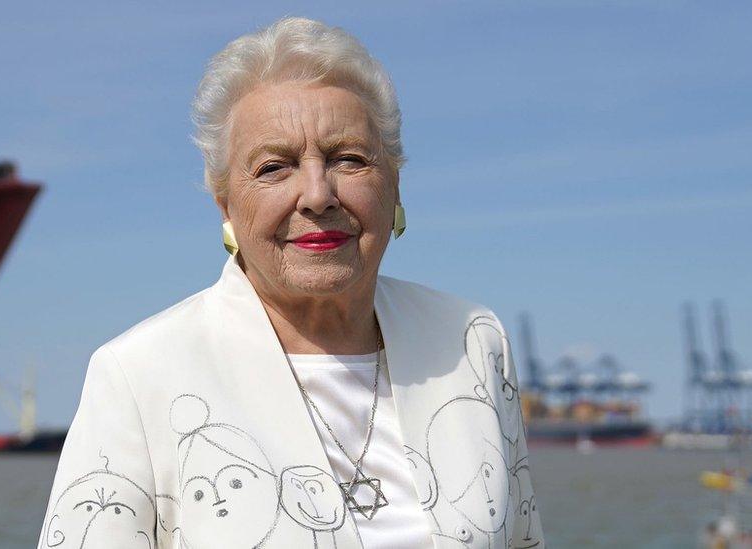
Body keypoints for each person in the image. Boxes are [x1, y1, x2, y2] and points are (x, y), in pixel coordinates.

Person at [37, 17, 544, 549]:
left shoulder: (471, 340)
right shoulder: (138, 373)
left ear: (394, 185)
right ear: (225, 204)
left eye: (349, 159)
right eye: (274, 167)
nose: (317, 194)